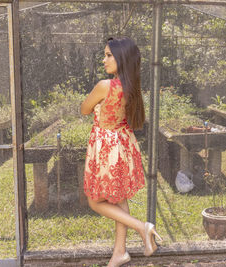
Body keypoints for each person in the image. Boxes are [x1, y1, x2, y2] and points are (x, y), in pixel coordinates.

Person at [81, 37, 162, 267]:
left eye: (109, 55)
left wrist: (95, 105)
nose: (104, 59)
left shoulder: (104, 86)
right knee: (119, 198)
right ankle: (120, 252)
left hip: (107, 147)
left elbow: (84, 109)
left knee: (95, 201)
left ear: (122, 58)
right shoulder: (131, 87)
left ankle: (141, 227)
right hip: (123, 144)